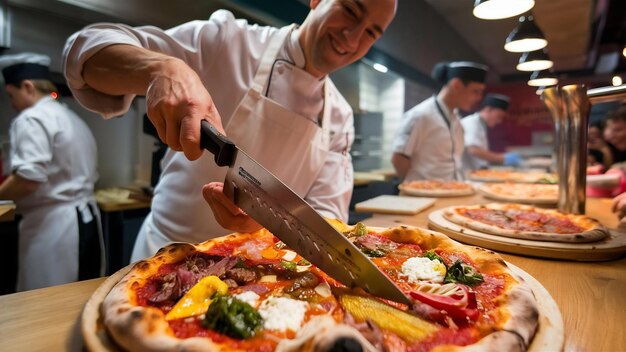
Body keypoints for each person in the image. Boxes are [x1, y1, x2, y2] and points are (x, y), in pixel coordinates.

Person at [63, 0, 398, 261]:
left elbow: (326, 222)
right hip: (167, 255)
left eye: (371, 32)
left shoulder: (339, 115)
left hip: (257, 278)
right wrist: (162, 69)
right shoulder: (228, 41)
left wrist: (270, 227)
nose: (353, 37)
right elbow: (85, 49)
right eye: (351, 9)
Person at [0, 53, 104, 291]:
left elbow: (27, 180)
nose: (12, 104)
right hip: (85, 221)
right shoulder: (69, 116)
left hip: (54, 227)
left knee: (44, 303)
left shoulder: (31, 118)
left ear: (27, 87)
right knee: (80, 297)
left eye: (11, 95)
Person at [391, 61, 487, 181]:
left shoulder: (457, 119)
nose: (478, 98)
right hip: (424, 195)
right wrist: (415, 187)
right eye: (476, 91)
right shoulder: (420, 115)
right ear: (456, 85)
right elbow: (398, 159)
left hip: (452, 190)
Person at [461, 93, 522, 170]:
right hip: (468, 174)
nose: (499, 121)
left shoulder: (481, 124)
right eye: (499, 116)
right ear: (489, 110)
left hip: (479, 171)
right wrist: (502, 158)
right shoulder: (471, 123)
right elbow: (473, 150)